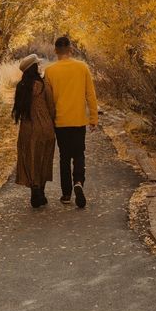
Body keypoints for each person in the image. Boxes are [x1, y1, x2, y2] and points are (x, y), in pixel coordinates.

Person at [44, 36, 98, 208]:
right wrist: (93, 118)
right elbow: (91, 94)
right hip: (78, 120)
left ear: (55, 51)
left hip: (60, 122)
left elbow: (48, 100)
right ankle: (79, 182)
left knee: (64, 158)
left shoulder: (50, 71)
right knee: (79, 154)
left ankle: (66, 194)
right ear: (71, 49)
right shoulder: (82, 68)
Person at [12, 54, 56, 208]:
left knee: (30, 157)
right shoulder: (43, 85)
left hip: (27, 128)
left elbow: (19, 110)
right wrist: (52, 121)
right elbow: (51, 106)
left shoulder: (21, 87)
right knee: (43, 157)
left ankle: (34, 191)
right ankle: (41, 192)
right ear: (35, 67)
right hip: (44, 127)